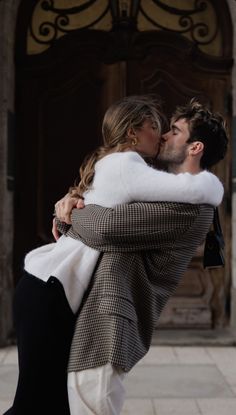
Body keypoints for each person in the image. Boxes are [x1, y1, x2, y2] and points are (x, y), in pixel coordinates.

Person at [5, 95, 225, 415]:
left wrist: (69, 214)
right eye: (157, 126)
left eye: (174, 131)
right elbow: (104, 223)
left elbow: (106, 227)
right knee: (39, 406)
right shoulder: (147, 184)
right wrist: (73, 204)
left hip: (104, 319)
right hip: (67, 297)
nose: (163, 134)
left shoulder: (188, 208)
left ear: (195, 148)